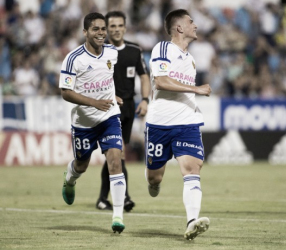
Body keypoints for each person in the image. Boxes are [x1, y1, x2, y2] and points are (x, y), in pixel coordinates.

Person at [145, 9, 212, 240]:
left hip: (187, 122)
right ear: (179, 27)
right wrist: (197, 89)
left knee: (192, 169)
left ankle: (192, 221)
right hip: (160, 124)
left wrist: (194, 93)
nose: (196, 25)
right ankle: (153, 183)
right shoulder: (163, 49)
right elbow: (162, 82)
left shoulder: (190, 59)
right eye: (191, 21)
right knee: (155, 179)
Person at [59, 12, 125, 234]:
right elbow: (66, 92)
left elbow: (107, 76)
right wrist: (93, 102)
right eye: (95, 29)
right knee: (81, 165)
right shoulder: (73, 58)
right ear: (85, 32)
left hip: (109, 117)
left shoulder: (112, 52)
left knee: (115, 160)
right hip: (84, 123)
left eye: (103, 29)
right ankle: (69, 180)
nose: (101, 33)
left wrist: (111, 96)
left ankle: (117, 216)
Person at [95, 11, 150, 212]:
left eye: (120, 26)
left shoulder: (134, 51)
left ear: (125, 28)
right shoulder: (99, 51)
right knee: (118, 153)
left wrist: (145, 99)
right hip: (107, 108)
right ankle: (124, 197)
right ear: (106, 29)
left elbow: (144, 76)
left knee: (115, 154)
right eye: (112, 26)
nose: (116, 29)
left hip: (127, 106)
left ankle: (102, 199)